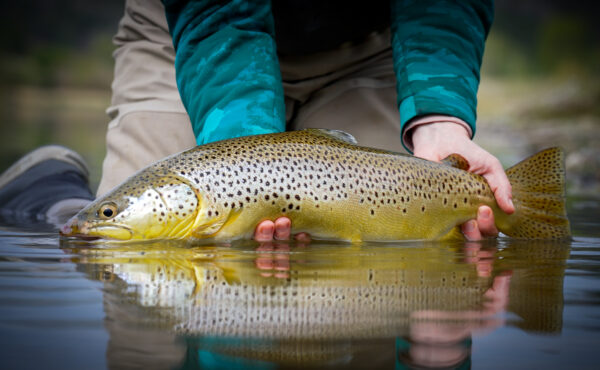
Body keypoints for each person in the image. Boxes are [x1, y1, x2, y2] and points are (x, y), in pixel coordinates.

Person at [0, 0, 512, 241]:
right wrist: (248, 157)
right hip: (191, 35)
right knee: (128, 261)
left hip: (376, 46)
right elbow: (219, 14)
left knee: (390, 247)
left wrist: (439, 118)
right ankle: (54, 196)